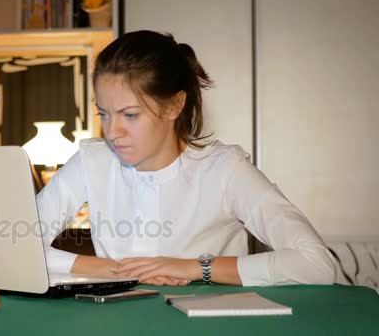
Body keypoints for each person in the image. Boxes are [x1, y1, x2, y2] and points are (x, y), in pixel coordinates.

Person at [36, 30, 336, 286]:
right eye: (104, 113)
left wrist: (195, 267)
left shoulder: (226, 170)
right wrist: (114, 270)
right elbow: (13, 248)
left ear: (174, 105)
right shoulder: (92, 161)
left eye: (130, 115)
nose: (113, 132)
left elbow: (317, 263)